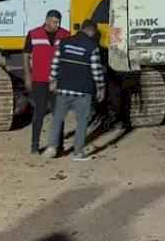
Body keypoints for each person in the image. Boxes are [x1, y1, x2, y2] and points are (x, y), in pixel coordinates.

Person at [43, 20, 105, 162]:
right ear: (92, 32)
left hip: (63, 88)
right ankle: (77, 153)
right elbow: (96, 71)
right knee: (82, 121)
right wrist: (101, 88)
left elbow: (55, 63)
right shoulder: (92, 47)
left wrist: (52, 80)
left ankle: (52, 147)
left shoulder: (63, 43)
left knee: (58, 118)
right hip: (83, 90)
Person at [24, 10, 70, 154]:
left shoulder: (65, 35)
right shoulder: (33, 34)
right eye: (54, 22)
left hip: (58, 81)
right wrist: (27, 75)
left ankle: (59, 146)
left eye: (58, 22)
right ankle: (34, 146)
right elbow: (26, 55)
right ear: (47, 20)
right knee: (39, 114)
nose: (57, 25)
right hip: (39, 81)